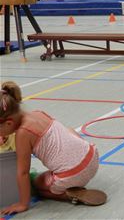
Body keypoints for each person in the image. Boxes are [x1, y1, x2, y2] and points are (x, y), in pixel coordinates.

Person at [0, 81, 106, 216]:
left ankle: (69, 194)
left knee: (38, 184)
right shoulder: (38, 113)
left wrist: (23, 204)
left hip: (74, 173)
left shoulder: (23, 133)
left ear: (9, 122)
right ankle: (69, 176)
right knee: (69, 130)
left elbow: (23, 173)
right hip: (92, 156)